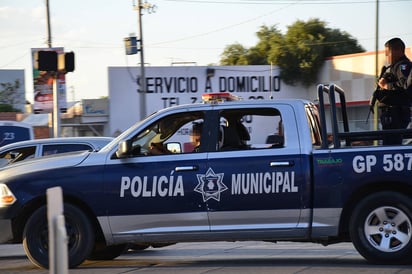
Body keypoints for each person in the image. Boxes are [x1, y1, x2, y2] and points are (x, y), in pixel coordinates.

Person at [370, 37, 412, 145]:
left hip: (396, 112)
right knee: (389, 141)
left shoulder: (403, 65)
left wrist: (386, 85)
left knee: (391, 143)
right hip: (391, 112)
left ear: (398, 50)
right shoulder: (393, 67)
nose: (386, 56)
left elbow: (405, 86)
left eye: (388, 52)